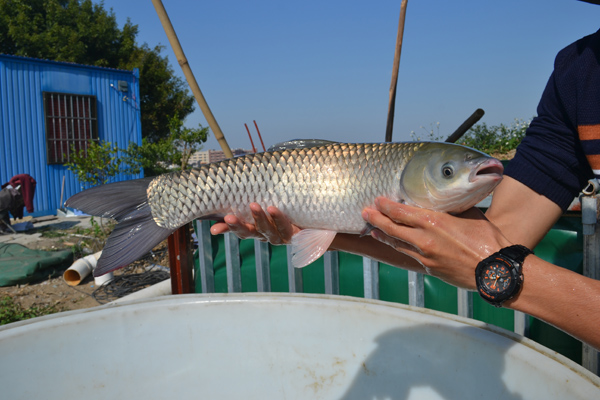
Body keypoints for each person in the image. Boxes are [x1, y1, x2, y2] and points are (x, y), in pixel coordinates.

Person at [211, 11, 600, 349]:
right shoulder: (577, 73)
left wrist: (508, 279)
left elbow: (491, 262)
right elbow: (498, 242)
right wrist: (323, 228)